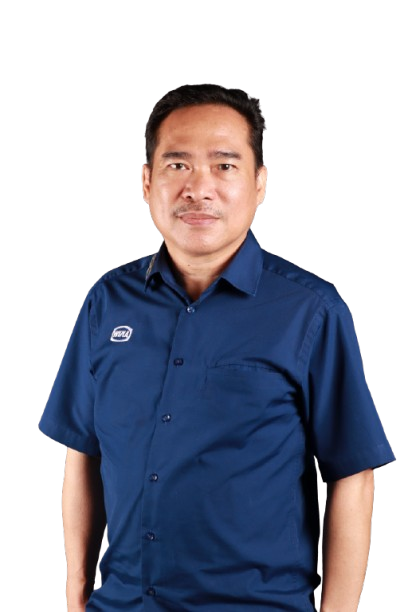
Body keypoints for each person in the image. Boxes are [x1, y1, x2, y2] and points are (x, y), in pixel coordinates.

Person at [38, 84, 395, 612]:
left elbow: (352, 473)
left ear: (259, 182)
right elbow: (82, 453)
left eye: (224, 166)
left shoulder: (310, 310)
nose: (198, 188)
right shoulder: (107, 302)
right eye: (177, 165)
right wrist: (75, 594)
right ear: (147, 181)